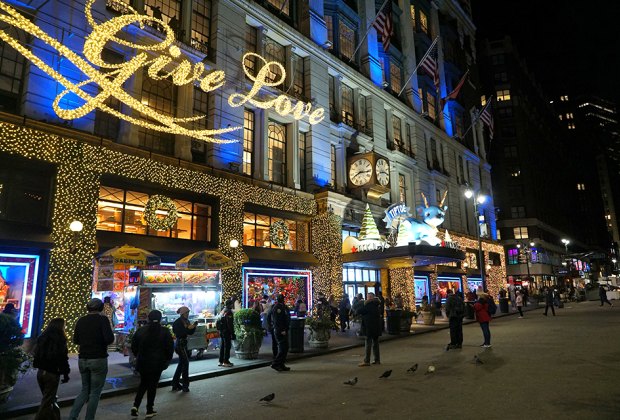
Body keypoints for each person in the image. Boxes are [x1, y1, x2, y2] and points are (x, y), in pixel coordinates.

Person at [69, 298, 115, 420]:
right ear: (100, 308)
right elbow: (109, 339)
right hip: (98, 358)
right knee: (95, 392)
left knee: (84, 390)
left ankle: (72, 417)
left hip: (83, 359)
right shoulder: (102, 320)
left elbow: (75, 340)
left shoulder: (81, 320)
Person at [130, 310, 174, 418]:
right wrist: (167, 360)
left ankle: (135, 406)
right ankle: (149, 409)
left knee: (143, 383)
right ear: (160, 319)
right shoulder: (165, 331)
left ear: (148, 318)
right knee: (152, 386)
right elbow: (170, 348)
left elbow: (134, 346)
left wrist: (138, 356)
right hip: (157, 363)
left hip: (143, 362)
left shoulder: (141, 331)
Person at [33, 318, 70, 420]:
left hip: (41, 372)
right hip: (52, 373)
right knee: (47, 400)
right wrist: (65, 374)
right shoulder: (60, 339)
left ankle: (54, 417)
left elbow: (36, 354)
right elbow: (63, 358)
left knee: (49, 398)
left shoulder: (42, 337)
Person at [171, 306, 197, 392]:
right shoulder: (177, 322)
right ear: (182, 313)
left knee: (181, 364)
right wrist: (188, 328)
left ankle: (175, 383)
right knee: (185, 363)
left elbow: (190, 333)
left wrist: (193, 327)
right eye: (186, 313)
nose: (188, 314)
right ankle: (185, 385)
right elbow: (179, 333)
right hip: (179, 344)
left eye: (188, 313)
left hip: (184, 344)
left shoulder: (186, 321)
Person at [357, 292, 382, 366]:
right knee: (375, 343)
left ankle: (366, 361)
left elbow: (358, 311)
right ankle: (377, 360)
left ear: (370, 297)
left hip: (369, 327)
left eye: (368, 297)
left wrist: (361, 303)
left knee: (368, 343)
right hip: (376, 327)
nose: (367, 298)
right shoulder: (376, 305)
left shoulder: (368, 305)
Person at [270, 294, 291, 372]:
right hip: (280, 331)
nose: (282, 299)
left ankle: (281, 364)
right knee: (282, 348)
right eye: (281, 298)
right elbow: (277, 321)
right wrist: (282, 330)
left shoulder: (283, 307)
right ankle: (275, 363)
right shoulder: (277, 308)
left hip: (284, 330)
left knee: (285, 348)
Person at [217, 300, 235, 367]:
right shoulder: (229, 312)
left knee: (222, 346)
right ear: (230, 304)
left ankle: (221, 361)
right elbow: (229, 324)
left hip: (222, 331)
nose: (232, 305)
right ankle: (226, 361)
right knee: (227, 347)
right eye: (232, 304)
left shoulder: (223, 310)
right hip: (226, 331)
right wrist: (232, 333)